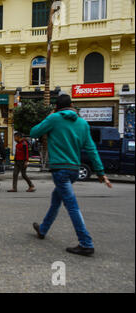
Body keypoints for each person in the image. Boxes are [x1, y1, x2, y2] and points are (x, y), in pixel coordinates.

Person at [30, 94, 112, 257]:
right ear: (72, 105)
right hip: (74, 170)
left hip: (60, 170)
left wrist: (48, 118)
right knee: (56, 200)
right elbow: (91, 149)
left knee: (72, 205)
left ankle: (86, 243)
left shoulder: (54, 118)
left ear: (56, 107)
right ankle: (43, 229)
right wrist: (100, 172)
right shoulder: (82, 123)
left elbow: (34, 132)